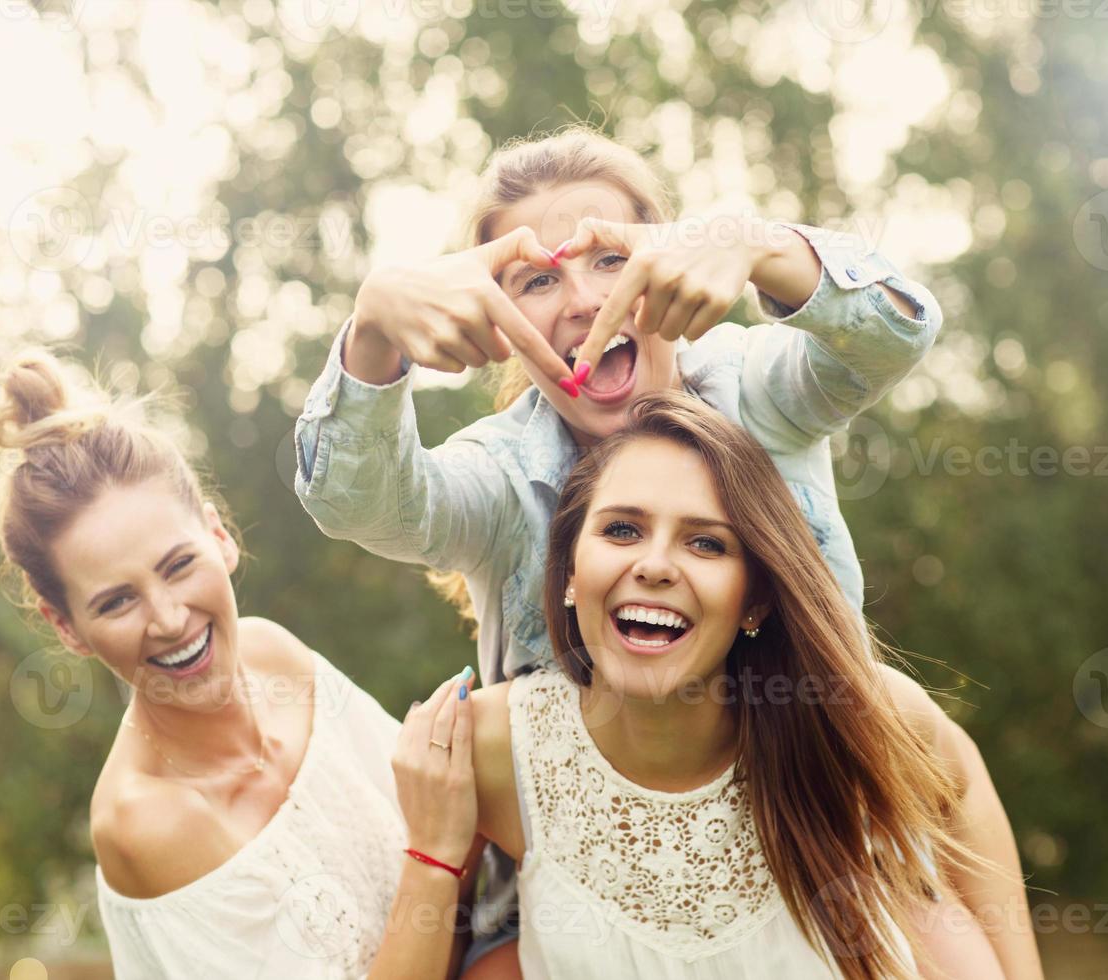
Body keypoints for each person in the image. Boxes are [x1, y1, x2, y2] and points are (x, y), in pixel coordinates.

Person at [293, 124, 947, 967]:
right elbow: (357, 499)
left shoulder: (761, 389)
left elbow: (898, 327)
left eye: (609, 259)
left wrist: (753, 243)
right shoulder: (500, 476)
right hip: (593, 891)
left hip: (807, 841)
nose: (581, 301)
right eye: (535, 278)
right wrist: (375, 321)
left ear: (667, 264)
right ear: (494, 316)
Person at [468, 389, 1043, 979]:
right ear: (567, 573)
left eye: (706, 543)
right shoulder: (490, 746)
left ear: (755, 602)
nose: (656, 565)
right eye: (621, 530)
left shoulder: (842, 709)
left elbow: (958, 778)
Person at [0, 350, 488, 979]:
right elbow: (441, 848)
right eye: (116, 601)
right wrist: (436, 852)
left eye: (178, 564)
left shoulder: (275, 652)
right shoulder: (145, 821)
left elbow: (464, 846)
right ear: (67, 628)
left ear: (219, 536)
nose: (168, 618)